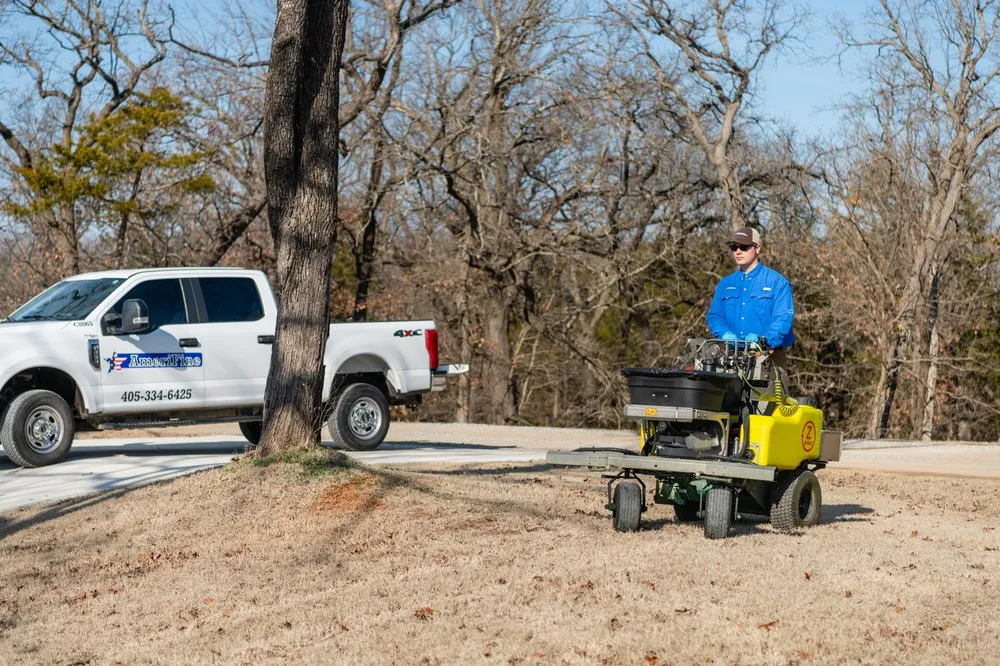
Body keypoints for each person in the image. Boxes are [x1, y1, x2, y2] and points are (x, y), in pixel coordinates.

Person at [706, 226, 794, 372]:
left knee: (770, 396)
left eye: (744, 247)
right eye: (734, 247)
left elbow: (783, 318)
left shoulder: (777, 282)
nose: (738, 251)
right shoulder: (725, 284)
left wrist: (763, 341)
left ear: (757, 248)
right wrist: (724, 334)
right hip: (731, 359)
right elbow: (715, 316)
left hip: (768, 357)